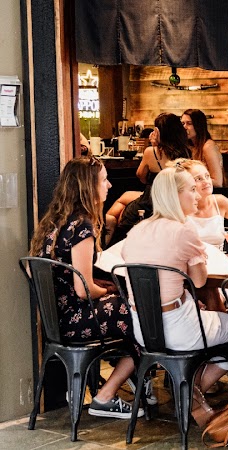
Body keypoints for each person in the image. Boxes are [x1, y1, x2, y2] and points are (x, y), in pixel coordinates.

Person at [121, 166, 228, 426]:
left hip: (143, 330)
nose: (197, 195)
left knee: (212, 320)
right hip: (179, 328)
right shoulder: (184, 230)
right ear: (175, 195)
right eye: (191, 189)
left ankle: (189, 389)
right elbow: (199, 281)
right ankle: (193, 391)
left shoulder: (137, 230)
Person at [28, 156, 143, 419]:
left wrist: (99, 287)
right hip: (74, 320)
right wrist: (107, 292)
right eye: (104, 180)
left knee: (126, 308)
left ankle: (134, 383)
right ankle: (106, 396)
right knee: (142, 316)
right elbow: (83, 291)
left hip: (55, 320)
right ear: (87, 186)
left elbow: (60, 276)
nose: (109, 185)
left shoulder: (54, 222)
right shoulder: (82, 226)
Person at [108, 113, 191, 246]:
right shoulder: (187, 153)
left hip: (151, 201)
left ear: (157, 131)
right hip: (173, 200)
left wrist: (153, 145)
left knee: (120, 203)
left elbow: (141, 176)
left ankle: (108, 237)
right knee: (126, 196)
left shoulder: (151, 152)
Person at [175, 158, 228, 247]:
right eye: (198, 179)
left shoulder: (220, 201)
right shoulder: (180, 208)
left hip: (220, 255)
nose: (206, 181)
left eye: (207, 176)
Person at [182, 109, 224, 187]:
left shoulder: (208, 146)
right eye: (183, 123)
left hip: (212, 191)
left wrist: (190, 179)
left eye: (189, 123)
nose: (184, 127)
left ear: (199, 126)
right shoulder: (191, 147)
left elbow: (218, 182)